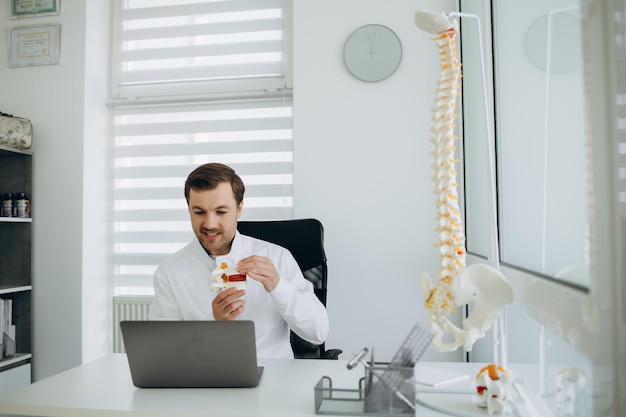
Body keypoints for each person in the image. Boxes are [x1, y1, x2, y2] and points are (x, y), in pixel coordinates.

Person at [149, 162, 329, 359]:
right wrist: (213, 323)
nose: (209, 224)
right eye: (199, 212)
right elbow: (163, 349)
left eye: (221, 212)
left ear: (239, 208)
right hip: (205, 379)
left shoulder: (277, 257)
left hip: (273, 378)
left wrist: (278, 287)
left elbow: (317, 333)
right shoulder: (170, 271)